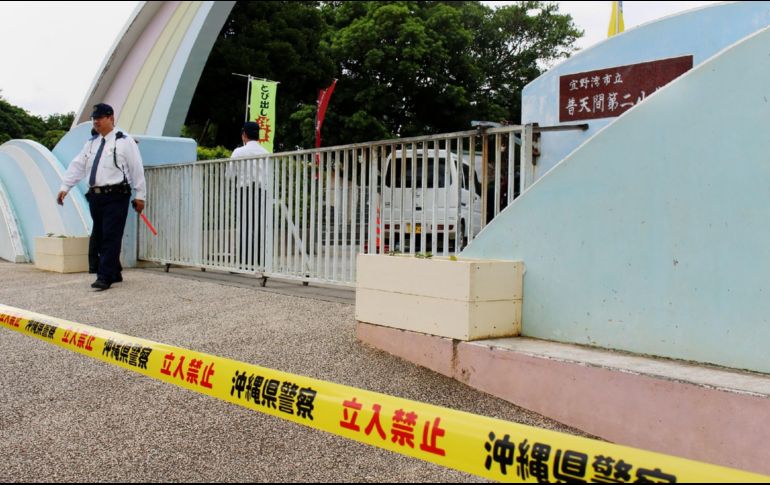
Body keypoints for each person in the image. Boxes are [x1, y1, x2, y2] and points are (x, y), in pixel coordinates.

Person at [57, 103, 146, 291]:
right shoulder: (91, 143)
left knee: (111, 236)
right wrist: (66, 186)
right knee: (100, 235)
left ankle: (104, 277)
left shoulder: (124, 141)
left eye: (100, 118)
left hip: (116, 195)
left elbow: (136, 168)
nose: (96, 121)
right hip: (95, 197)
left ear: (111, 118)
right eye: (94, 118)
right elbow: (78, 165)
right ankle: (115, 271)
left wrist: (140, 196)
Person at [226, 121, 269, 268]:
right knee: (259, 224)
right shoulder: (265, 152)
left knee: (245, 224)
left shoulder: (238, 152)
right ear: (258, 135)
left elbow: (230, 175)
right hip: (261, 191)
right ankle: (260, 260)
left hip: (244, 190)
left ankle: (245, 261)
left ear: (244, 134)